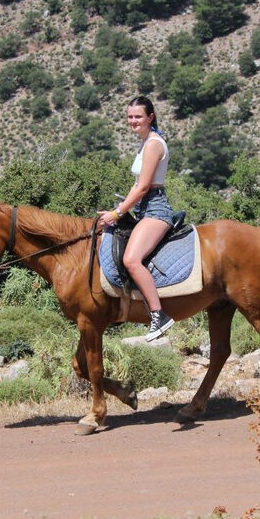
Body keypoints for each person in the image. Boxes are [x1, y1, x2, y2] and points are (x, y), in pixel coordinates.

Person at [98, 96, 175, 341]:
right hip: (143, 209)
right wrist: (120, 208)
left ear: (150, 117)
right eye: (130, 116)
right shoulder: (145, 143)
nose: (133, 121)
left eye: (138, 116)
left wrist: (117, 213)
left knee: (131, 259)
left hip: (156, 210)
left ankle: (158, 315)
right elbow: (136, 186)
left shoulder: (153, 144)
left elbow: (143, 188)